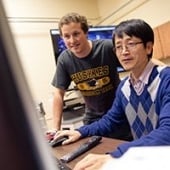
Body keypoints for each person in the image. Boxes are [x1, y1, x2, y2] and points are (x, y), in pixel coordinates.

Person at [54, 18, 170, 170]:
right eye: (119, 47)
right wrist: (79, 131)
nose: (124, 52)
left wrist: (116, 155)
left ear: (148, 47)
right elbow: (110, 120)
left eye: (131, 44)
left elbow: (167, 132)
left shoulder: (166, 79)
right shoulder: (124, 87)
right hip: (143, 159)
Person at [51, 12, 132, 140]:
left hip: (119, 115)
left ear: (86, 32)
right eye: (67, 36)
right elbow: (58, 94)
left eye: (76, 34)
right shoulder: (64, 59)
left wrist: (164, 70)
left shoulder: (107, 47)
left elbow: (138, 60)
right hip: (92, 119)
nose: (72, 40)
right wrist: (55, 129)